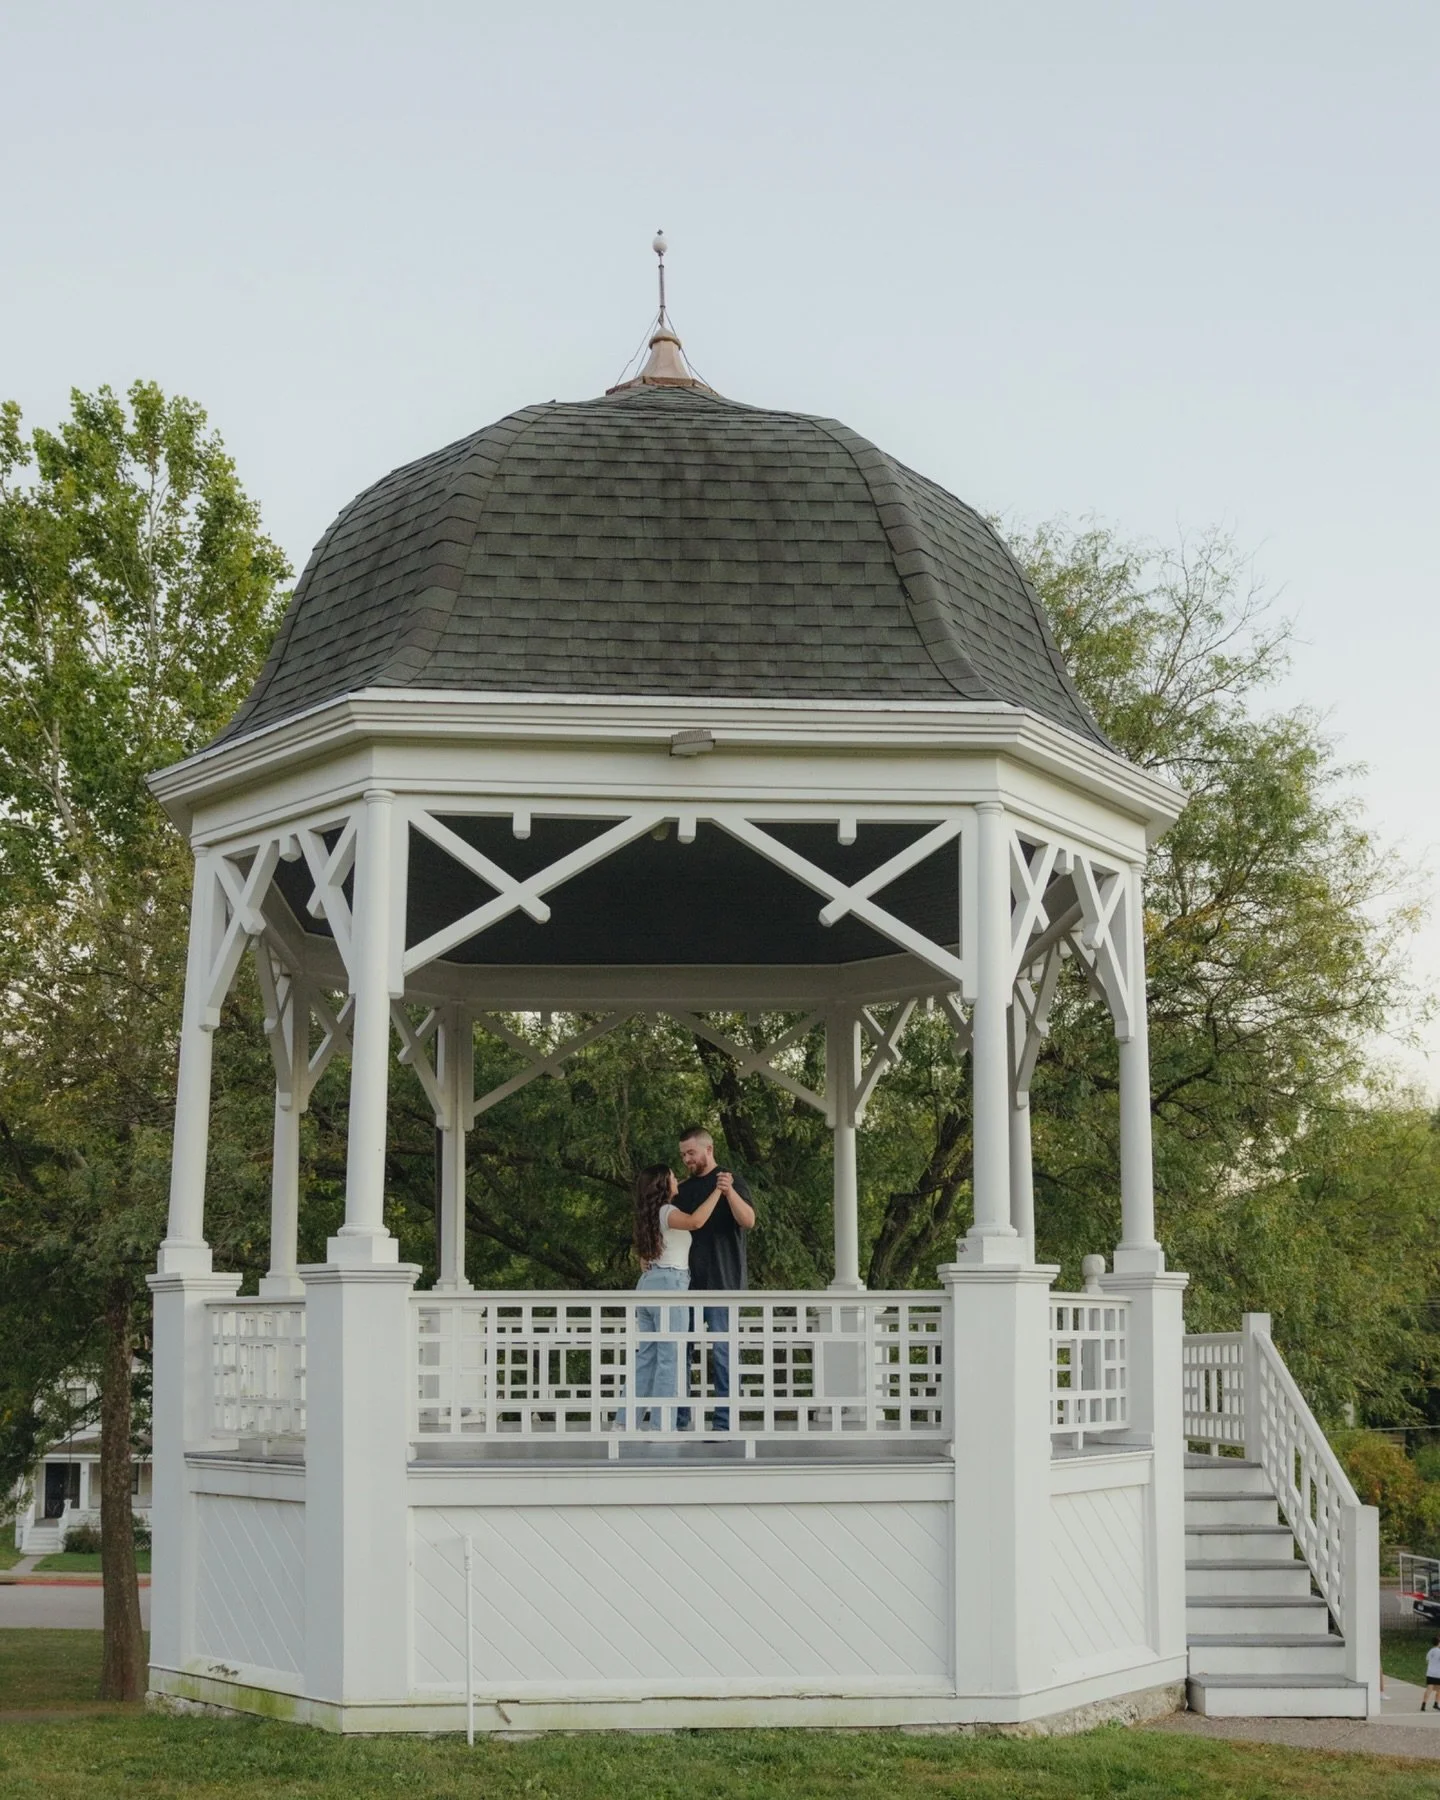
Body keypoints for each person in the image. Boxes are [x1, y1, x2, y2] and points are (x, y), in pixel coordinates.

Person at [674, 1126, 756, 1432]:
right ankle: (680, 1420)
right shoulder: (682, 1190)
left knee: (723, 1355)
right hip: (688, 1285)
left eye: (691, 1153)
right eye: (683, 1154)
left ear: (709, 1149)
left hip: (725, 1283)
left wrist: (729, 1191)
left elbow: (748, 1220)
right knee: (682, 1352)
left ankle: (725, 1423)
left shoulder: (730, 1180)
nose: (686, 1159)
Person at [630, 1163, 721, 1429]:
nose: (677, 1179)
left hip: (649, 1284)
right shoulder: (668, 1211)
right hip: (670, 1283)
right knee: (671, 1356)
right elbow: (696, 1221)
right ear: (663, 1184)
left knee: (646, 1357)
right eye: (672, 1177)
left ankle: (625, 1422)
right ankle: (662, 1424)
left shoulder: (648, 1214)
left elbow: (647, 1252)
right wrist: (718, 1190)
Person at [1424, 1636, 1440, 1710]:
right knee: (1439, 1689)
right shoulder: (1439, 1651)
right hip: (1437, 1674)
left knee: (1429, 1689)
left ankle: (1423, 1704)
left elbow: (1427, 1660)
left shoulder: (1430, 1651)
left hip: (1430, 1673)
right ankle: (1436, 1703)